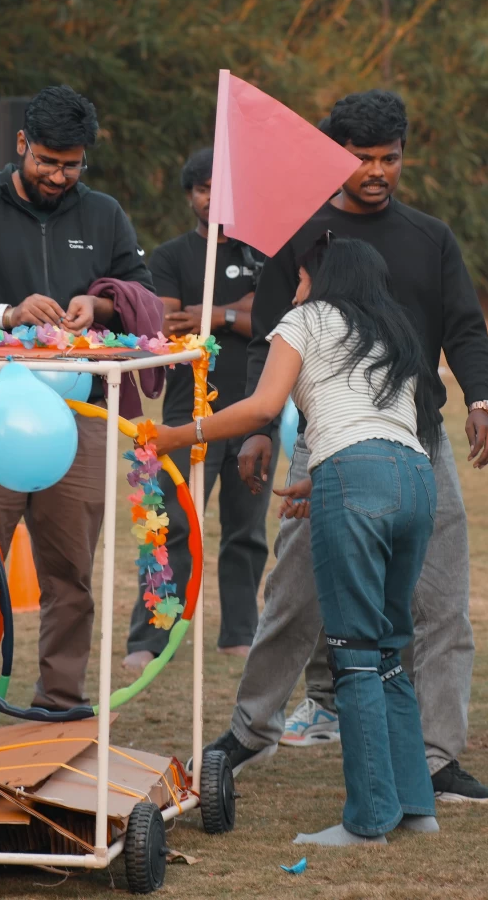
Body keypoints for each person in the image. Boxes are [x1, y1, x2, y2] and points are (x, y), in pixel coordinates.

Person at [203, 90, 488, 807]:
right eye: (362, 158)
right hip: (324, 444)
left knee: (441, 603)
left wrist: (481, 397)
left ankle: (435, 758)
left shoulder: (430, 237)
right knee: (293, 595)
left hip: (420, 443)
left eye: (389, 158)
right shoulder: (299, 238)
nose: (377, 171)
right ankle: (251, 729)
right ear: (335, 156)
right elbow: (271, 339)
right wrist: (255, 430)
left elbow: (464, 326)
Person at [156, 236, 443, 846]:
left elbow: (263, 406)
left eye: (302, 278)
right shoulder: (395, 330)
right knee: (390, 647)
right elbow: (385, 426)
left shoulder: (305, 319)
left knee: (355, 652)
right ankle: (417, 808)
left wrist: (176, 434)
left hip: (357, 479)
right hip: (415, 479)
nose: (294, 288)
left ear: (322, 277)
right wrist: (326, 476)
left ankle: (367, 822)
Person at [0, 84, 154, 734]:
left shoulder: (104, 215)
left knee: (71, 572)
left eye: (71, 163)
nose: (57, 175)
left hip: (77, 418)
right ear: (21, 144)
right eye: (46, 159)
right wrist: (5, 313)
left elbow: (142, 292)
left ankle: (60, 708)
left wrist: (99, 307)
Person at [123, 147, 269, 673]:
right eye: (203, 190)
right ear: (190, 196)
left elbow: (270, 322)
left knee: (246, 530)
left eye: (221, 189)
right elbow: (167, 325)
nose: (212, 200)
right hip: (187, 413)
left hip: (255, 406)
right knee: (171, 524)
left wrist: (218, 314)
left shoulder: (261, 253)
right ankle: (150, 636)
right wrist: (236, 313)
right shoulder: (169, 257)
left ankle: (239, 633)